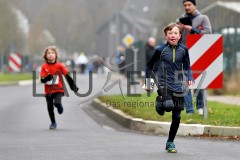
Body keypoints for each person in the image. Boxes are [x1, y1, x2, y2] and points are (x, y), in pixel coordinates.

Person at [145, 23, 194, 153]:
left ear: (180, 36)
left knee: (177, 117)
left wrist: (190, 77)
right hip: (163, 83)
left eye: (176, 33)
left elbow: (187, 66)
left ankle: (170, 142)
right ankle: (160, 103)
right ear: (166, 35)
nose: (173, 35)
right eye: (170, 33)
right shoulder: (160, 50)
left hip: (178, 85)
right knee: (168, 104)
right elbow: (150, 66)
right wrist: (148, 83)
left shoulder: (184, 50)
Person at [178, 0, 212, 115]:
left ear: (194, 5)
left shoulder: (203, 18)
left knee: (199, 82)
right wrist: (179, 30)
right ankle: (189, 110)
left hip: (199, 53)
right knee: (184, 82)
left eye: (189, 5)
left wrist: (192, 29)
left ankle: (200, 106)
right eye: (185, 5)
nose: (187, 7)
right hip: (184, 54)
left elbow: (208, 33)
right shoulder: (180, 19)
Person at [40, 46, 78, 130]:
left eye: (52, 53)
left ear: (56, 55)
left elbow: (67, 76)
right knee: (50, 107)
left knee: (56, 103)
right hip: (48, 91)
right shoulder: (44, 67)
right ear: (45, 56)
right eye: (48, 53)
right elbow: (42, 80)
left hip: (58, 89)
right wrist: (47, 78)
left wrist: (73, 87)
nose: (50, 55)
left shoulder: (59, 65)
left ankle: (59, 106)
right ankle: (53, 123)